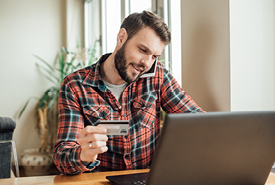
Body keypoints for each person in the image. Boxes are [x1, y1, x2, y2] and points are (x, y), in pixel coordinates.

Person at [53, 10, 204, 175]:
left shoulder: (157, 76)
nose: (146, 63)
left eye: (154, 56)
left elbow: (198, 121)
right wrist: (83, 155)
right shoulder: (75, 86)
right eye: (143, 50)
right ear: (121, 38)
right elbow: (62, 156)